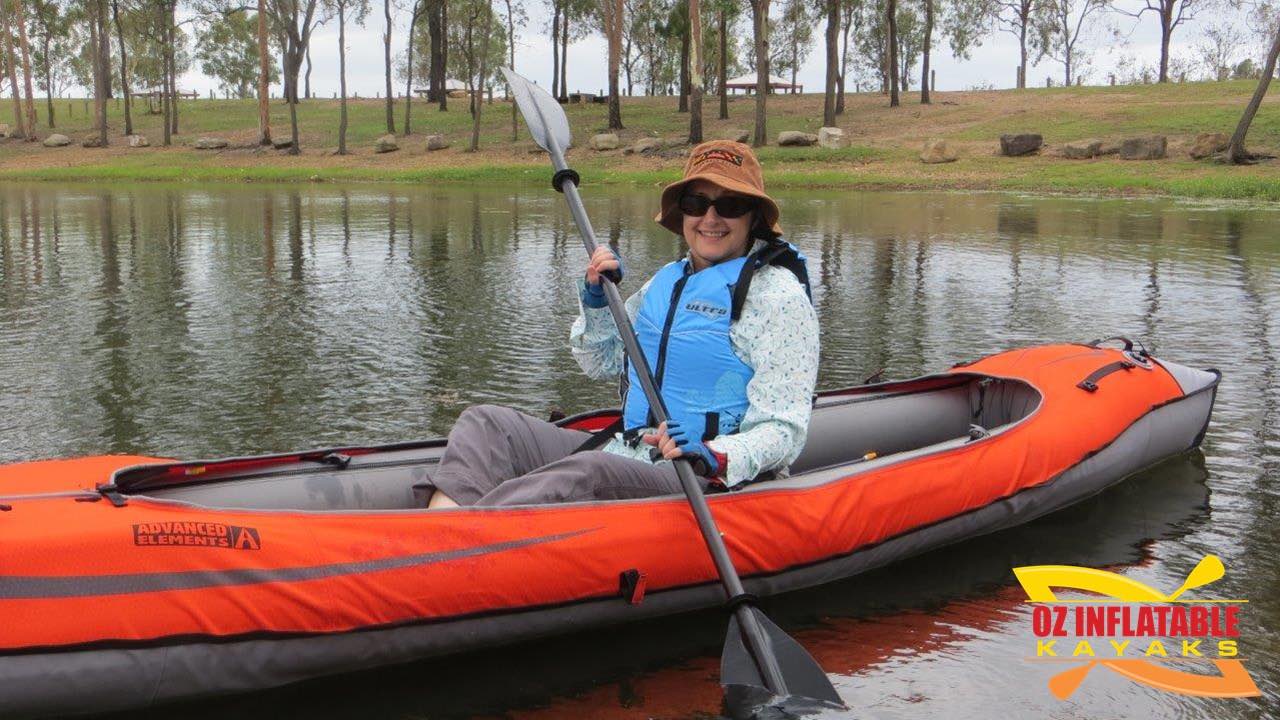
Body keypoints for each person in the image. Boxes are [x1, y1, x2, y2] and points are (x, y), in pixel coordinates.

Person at [425, 140, 819, 508]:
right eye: (697, 202)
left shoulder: (778, 299)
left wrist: (715, 455)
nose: (710, 218)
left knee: (588, 473)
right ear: (682, 211)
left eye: (730, 205)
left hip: (703, 478)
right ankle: (442, 532)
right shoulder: (665, 282)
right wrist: (596, 302)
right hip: (632, 449)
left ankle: (458, 546)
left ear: (753, 218)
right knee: (487, 424)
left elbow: (783, 430)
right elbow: (602, 362)